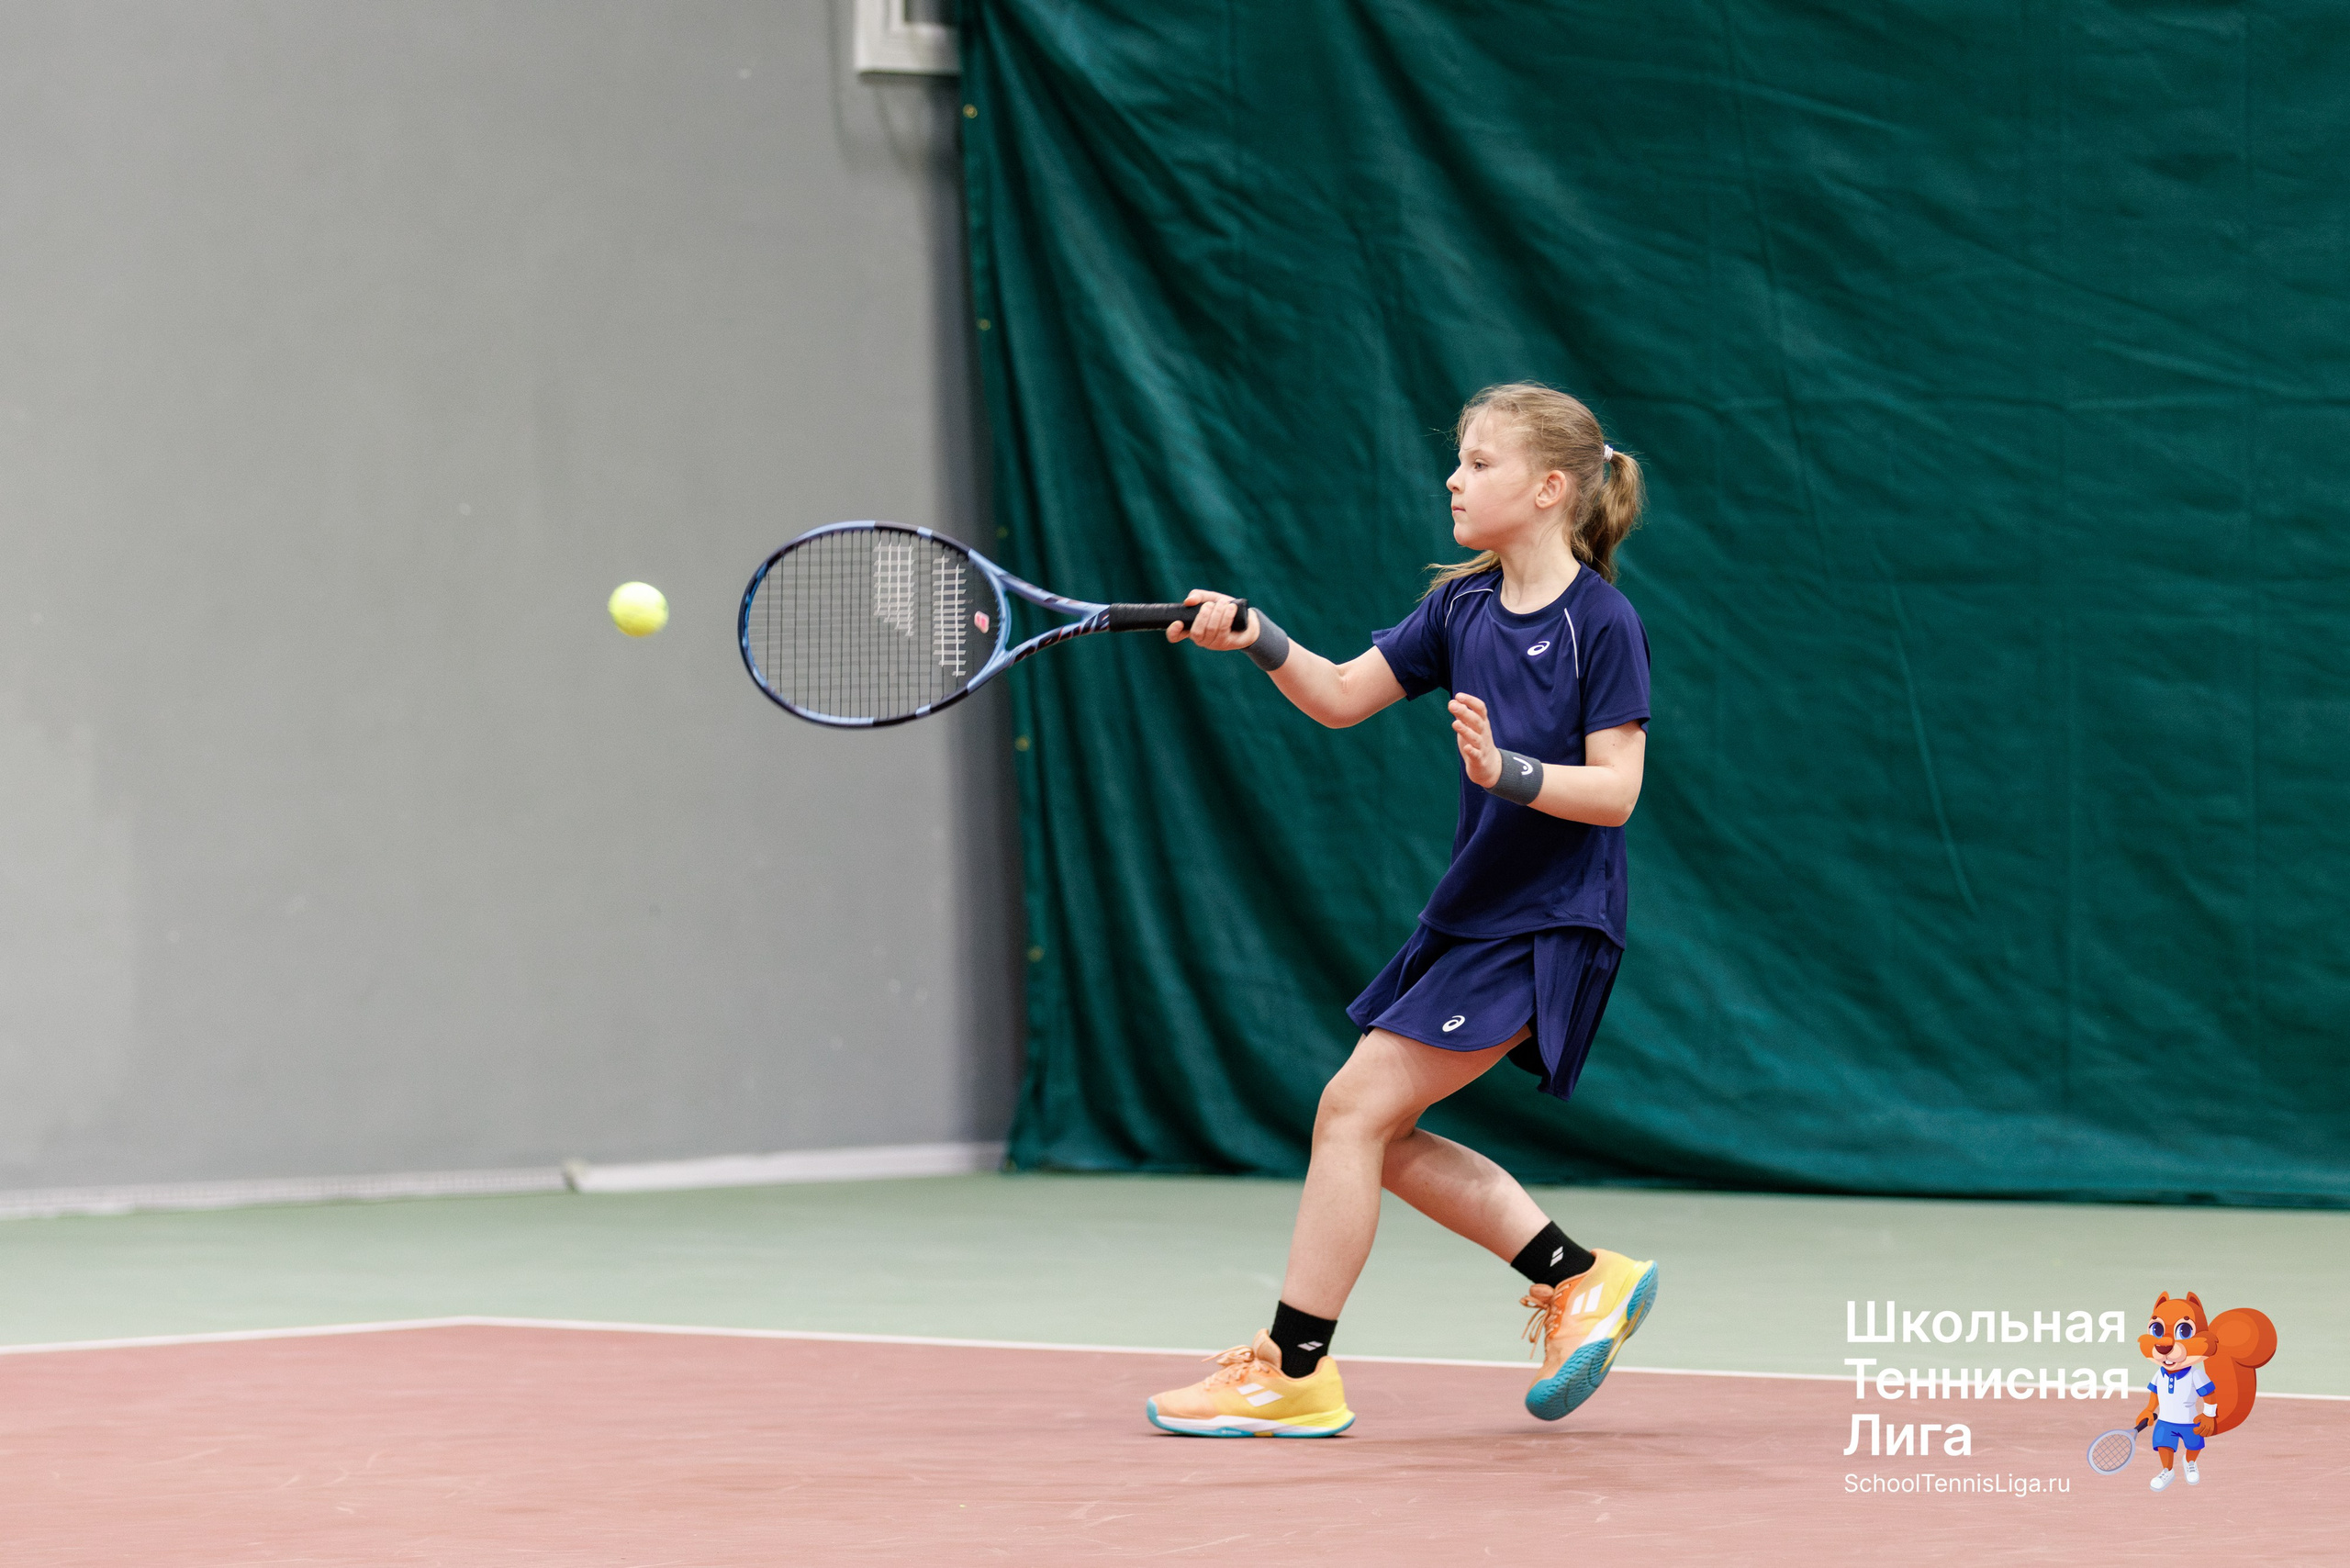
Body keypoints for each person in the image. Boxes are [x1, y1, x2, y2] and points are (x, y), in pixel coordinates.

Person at [1143, 382, 1658, 1438]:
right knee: (1375, 1132)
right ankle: (1578, 1277)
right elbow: (1337, 695)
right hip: (1472, 912)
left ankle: (1292, 1370)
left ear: (1550, 487)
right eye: (1456, 460)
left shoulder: (1600, 622)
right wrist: (1259, 637)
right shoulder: (1459, 608)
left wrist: (1512, 771)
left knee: (1349, 1111)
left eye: (1477, 462)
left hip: (1549, 918)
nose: (1453, 479)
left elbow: (1616, 791)